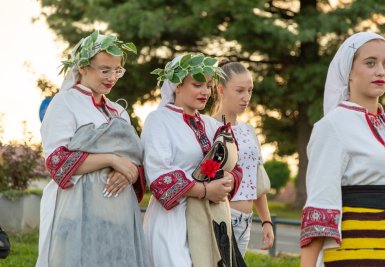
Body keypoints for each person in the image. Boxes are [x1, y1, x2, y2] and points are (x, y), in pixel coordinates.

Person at [36, 31, 149, 267]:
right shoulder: (65, 102)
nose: (112, 77)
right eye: (104, 70)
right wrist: (111, 160)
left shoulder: (119, 111)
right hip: (76, 210)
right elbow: (56, 161)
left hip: (118, 213)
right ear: (83, 67)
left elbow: (135, 159)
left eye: (117, 70)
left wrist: (127, 171)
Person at [300, 32, 385, 267]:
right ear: (348, 71)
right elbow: (320, 205)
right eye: (370, 63)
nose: (381, 71)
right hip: (354, 256)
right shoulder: (332, 125)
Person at [141, 53, 244, 267]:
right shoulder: (158, 120)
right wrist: (206, 190)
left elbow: (235, 166)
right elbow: (159, 175)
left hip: (210, 221)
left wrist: (229, 181)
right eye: (197, 85)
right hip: (172, 222)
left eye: (208, 85)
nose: (205, 91)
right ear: (177, 85)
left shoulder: (213, 125)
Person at [212, 59, 275, 256]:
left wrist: (266, 221)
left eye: (249, 91)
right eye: (239, 91)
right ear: (221, 90)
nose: (246, 97)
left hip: (246, 222)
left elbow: (256, 179)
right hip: (221, 219)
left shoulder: (248, 131)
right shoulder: (208, 128)